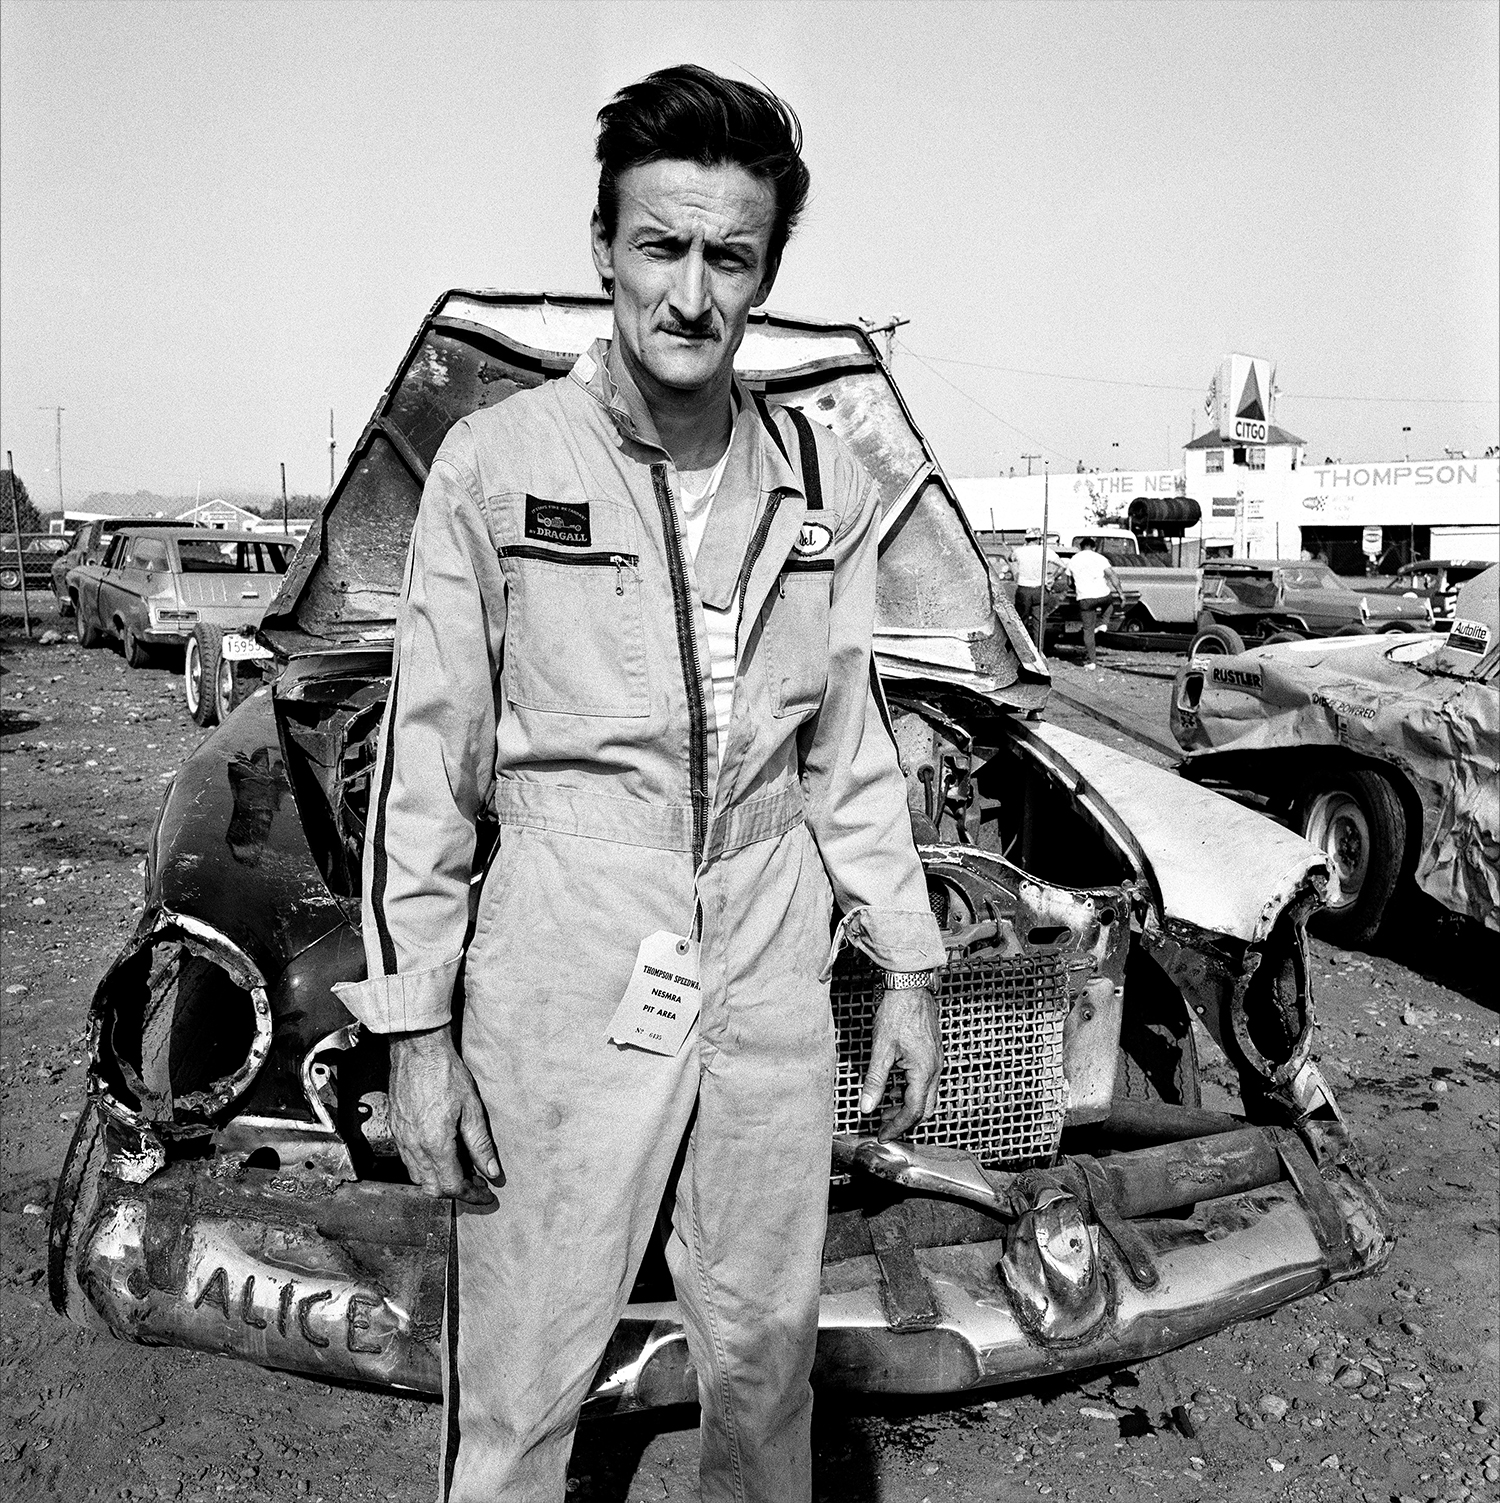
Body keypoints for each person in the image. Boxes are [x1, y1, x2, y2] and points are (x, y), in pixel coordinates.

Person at [333, 64, 947, 1503]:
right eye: (661, 246)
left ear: (767, 271)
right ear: (602, 246)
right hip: (564, 937)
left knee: (761, 1362)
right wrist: (417, 1026)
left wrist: (908, 956)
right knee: (526, 1374)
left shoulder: (821, 484)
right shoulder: (497, 465)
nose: (690, 292)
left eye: (729, 256)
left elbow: (844, 746)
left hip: (769, 943)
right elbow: (425, 767)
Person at [1063, 536, 1121, 671]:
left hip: (1085, 599)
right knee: (1109, 603)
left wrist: (1078, 587)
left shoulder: (1073, 560)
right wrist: (1121, 593)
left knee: (1088, 631)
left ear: (1081, 547)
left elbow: (1069, 583)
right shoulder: (1100, 558)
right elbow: (1112, 575)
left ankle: (1092, 662)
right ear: (1094, 547)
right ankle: (1104, 623)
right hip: (1102, 595)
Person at [1010, 528, 1061, 647]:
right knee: (1039, 623)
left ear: (1026, 539)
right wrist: (1052, 577)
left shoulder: (1019, 551)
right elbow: (1062, 565)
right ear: (1039, 539)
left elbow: (1010, 558)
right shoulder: (1045, 551)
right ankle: (1039, 651)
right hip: (1040, 589)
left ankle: (1021, 648)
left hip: (1024, 590)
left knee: (1022, 621)